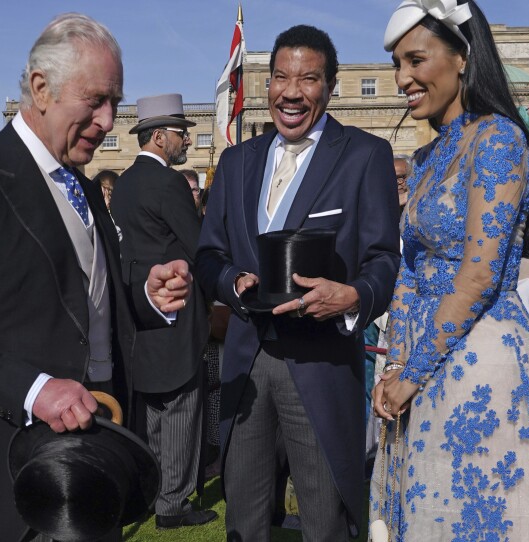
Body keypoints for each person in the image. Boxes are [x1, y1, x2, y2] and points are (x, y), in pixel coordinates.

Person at [0, 13, 190, 541]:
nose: (108, 120)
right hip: (11, 468)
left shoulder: (80, 185)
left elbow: (87, 301)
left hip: (98, 454)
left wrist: (147, 297)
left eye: (115, 102)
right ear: (41, 88)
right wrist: (35, 391)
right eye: (96, 100)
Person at [372, 1, 529, 539]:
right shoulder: (424, 159)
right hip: (421, 355)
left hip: (480, 357)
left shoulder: (499, 139)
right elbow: (410, 269)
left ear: (462, 57)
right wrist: (395, 364)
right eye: (397, 65)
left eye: (416, 60)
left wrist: (411, 374)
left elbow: (480, 272)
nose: (403, 79)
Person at [195, 24, 401, 540]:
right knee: (244, 513)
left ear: (329, 86)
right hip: (245, 361)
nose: (292, 91)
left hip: (322, 363)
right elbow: (208, 254)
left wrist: (354, 296)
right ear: (267, 85)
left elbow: (383, 259)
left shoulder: (364, 156)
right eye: (281, 77)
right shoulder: (237, 160)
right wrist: (229, 282)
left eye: (308, 79)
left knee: (324, 514)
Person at [110, 94, 215, 528]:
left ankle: (156, 492)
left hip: (140, 310)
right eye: (180, 132)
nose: (186, 138)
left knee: (155, 405)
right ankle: (173, 503)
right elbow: (197, 246)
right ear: (159, 136)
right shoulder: (168, 183)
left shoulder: (124, 183)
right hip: (175, 305)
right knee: (182, 407)